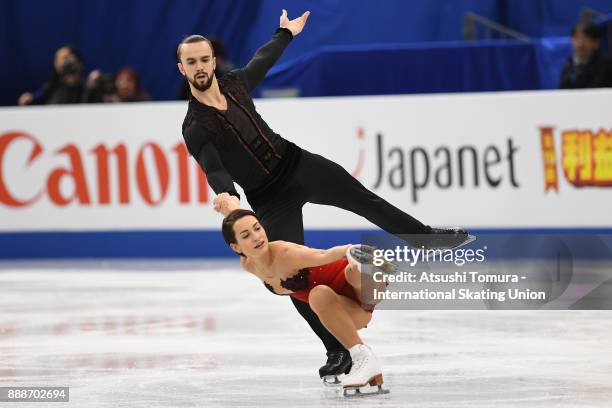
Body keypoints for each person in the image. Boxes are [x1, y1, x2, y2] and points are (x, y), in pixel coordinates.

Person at [177, 9, 472, 382]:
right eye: (192, 63)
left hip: (298, 165)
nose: (200, 67)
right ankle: (337, 350)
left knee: (364, 198)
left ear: (213, 61)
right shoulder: (195, 126)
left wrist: (285, 33)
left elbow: (262, 60)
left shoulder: (234, 83)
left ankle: (424, 238)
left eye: (204, 59)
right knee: (292, 277)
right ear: (182, 69)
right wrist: (229, 200)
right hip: (268, 197)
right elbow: (214, 168)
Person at [221, 208, 390, 394]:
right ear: (236, 247)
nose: (256, 236)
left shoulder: (285, 253)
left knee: (350, 272)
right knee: (318, 295)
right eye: (246, 235)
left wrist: (349, 250)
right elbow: (234, 217)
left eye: (257, 228)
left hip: (359, 286)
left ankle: (365, 265)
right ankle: (363, 359)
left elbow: (323, 255)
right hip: (347, 308)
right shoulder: (249, 265)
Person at [18, 45, 88, 105]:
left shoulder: (87, 86)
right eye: (57, 59)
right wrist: (30, 98)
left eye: (65, 58)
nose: (61, 62)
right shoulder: (51, 86)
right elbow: (36, 97)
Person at [560, 22, 612, 89]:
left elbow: (597, 89)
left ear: (596, 43)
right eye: (576, 38)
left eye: (585, 39)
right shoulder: (568, 63)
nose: (580, 44)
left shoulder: (606, 64)